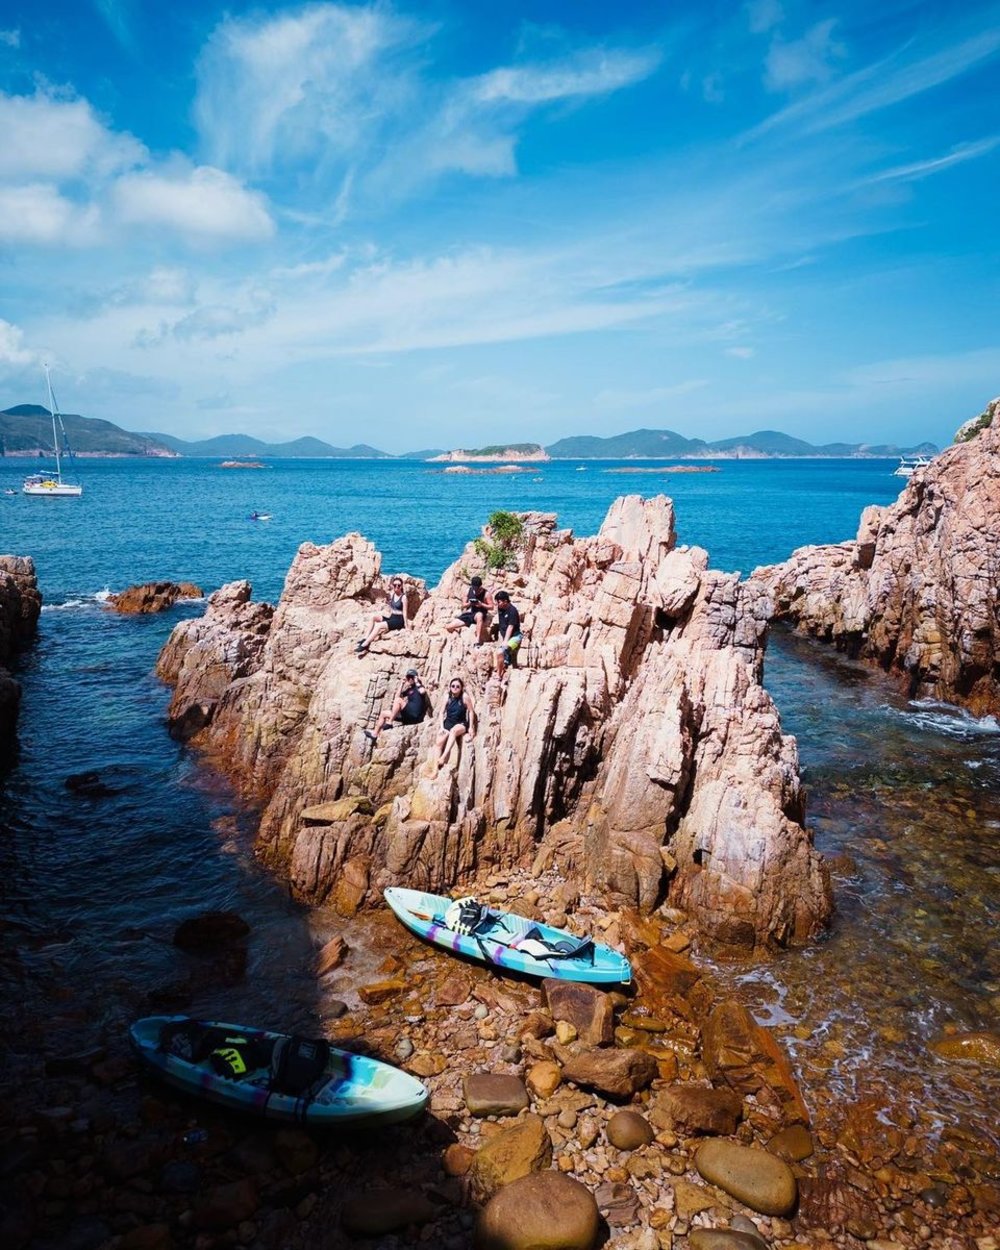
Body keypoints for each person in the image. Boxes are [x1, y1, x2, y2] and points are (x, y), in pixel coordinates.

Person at [365, 669, 428, 742]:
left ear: (415, 677)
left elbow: (423, 692)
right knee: (384, 713)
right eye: (408, 677)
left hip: (415, 715)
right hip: (407, 716)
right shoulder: (409, 690)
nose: (410, 679)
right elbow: (397, 696)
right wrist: (402, 684)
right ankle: (375, 734)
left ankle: (389, 722)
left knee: (398, 700)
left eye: (412, 677)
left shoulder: (419, 687)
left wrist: (417, 681)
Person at [357, 576, 409, 654]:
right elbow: (390, 606)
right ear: (393, 585)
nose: (396, 587)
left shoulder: (404, 597)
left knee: (378, 625)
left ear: (401, 586)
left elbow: (405, 613)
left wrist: (406, 626)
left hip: (399, 621)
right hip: (392, 618)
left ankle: (366, 644)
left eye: (398, 585)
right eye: (395, 585)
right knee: (374, 618)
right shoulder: (392, 594)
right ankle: (365, 637)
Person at [435, 676, 476, 769]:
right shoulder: (447, 697)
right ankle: (435, 771)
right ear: (450, 687)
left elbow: (471, 711)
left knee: (453, 731)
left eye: (458, 686)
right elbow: (441, 712)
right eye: (453, 686)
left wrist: (471, 727)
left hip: (460, 723)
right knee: (439, 742)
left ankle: (443, 757)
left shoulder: (464, 697)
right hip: (448, 722)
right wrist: (441, 727)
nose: (455, 688)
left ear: (461, 688)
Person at [445, 575, 492, 645]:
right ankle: (460, 632)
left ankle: (478, 639)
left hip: (480, 613)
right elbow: (463, 605)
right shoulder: (468, 591)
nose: (475, 590)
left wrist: (481, 604)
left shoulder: (486, 594)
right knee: (448, 627)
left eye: (477, 588)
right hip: (470, 613)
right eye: (474, 588)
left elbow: (491, 607)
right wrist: (470, 603)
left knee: (479, 615)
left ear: (480, 586)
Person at [493, 590, 522, 678]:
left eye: (499, 602)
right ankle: (503, 665)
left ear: (505, 601)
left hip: (515, 637)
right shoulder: (500, 608)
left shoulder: (512, 611)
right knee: (499, 654)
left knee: (501, 651)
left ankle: (499, 675)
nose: (497, 604)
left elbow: (510, 627)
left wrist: (505, 641)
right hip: (504, 636)